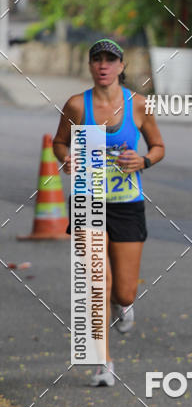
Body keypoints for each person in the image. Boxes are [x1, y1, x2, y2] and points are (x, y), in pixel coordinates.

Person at [53, 38, 165, 386]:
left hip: (127, 204)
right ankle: (105, 363)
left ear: (120, 67)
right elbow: (60, 142)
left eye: (110, 60)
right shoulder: (76, 105)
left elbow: (159, 147)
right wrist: (66, 158)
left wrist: (143, 160)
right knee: (96, 282)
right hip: (87, 199)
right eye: (97, 59)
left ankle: (123, 306)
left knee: (125, 291)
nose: (103, 65)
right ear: (90, 67)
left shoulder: (139, 106)